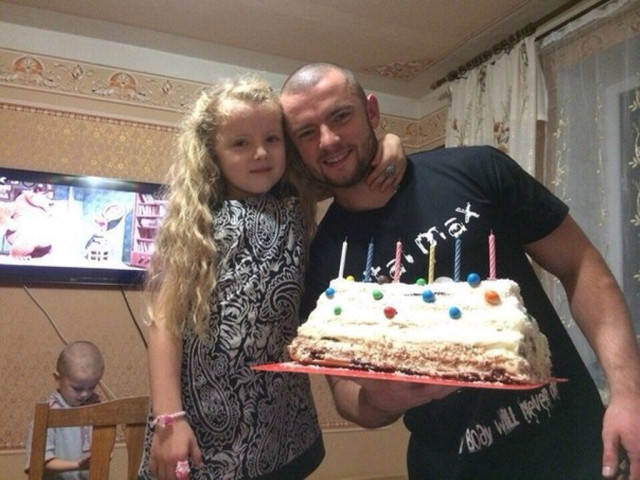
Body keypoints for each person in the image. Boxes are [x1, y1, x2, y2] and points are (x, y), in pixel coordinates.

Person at [279, 62, 640, 480]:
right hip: (449, 466)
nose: (328, 140)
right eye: (307, 132)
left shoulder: (476, 170)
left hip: (573, 445)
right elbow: (345, 392)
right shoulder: (324, 259)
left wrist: (628, 393)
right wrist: (381, 400)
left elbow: (579, 264)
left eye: (341, 116)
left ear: (372, 112)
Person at [137, 75, 405, 480]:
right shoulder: (195, 224)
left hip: (284, 428)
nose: (260, 153)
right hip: (206, 432)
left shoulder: (295, 199)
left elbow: (350, 169)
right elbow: (164, 324)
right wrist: (169, 420)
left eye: (272, 139)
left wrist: (392, 143)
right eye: (240, 143)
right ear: (212, 153)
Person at [24, 340, 105, 480]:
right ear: (58, 378)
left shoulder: (96, 408)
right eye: (77, 388)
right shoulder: (48, 414)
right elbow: (38, 462)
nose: (85, 394)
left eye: (92, 387)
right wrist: (77, 464)